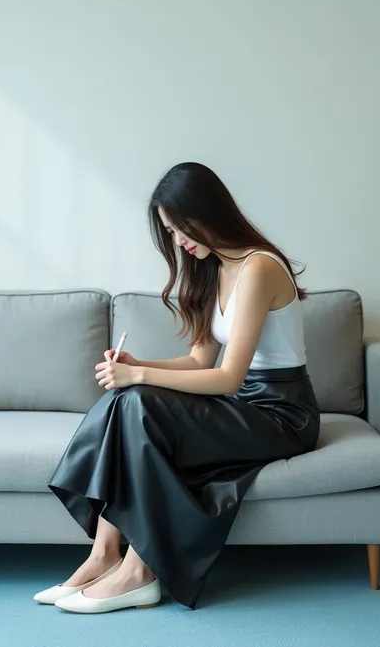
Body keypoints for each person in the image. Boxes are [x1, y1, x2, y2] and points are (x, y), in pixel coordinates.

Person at [35, 162, 320, 614]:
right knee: (124, 399)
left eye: (179, 228)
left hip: (282, 414)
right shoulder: (213, 268)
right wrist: (136, 365)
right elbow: (198, 361)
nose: (177, 242)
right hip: (244, 406)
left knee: (136, 400)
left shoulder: (258, 267)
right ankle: (104, 554)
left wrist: (140, 377)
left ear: (206, 213)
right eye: (169, 232)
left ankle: (138, 571)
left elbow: (227, 377)